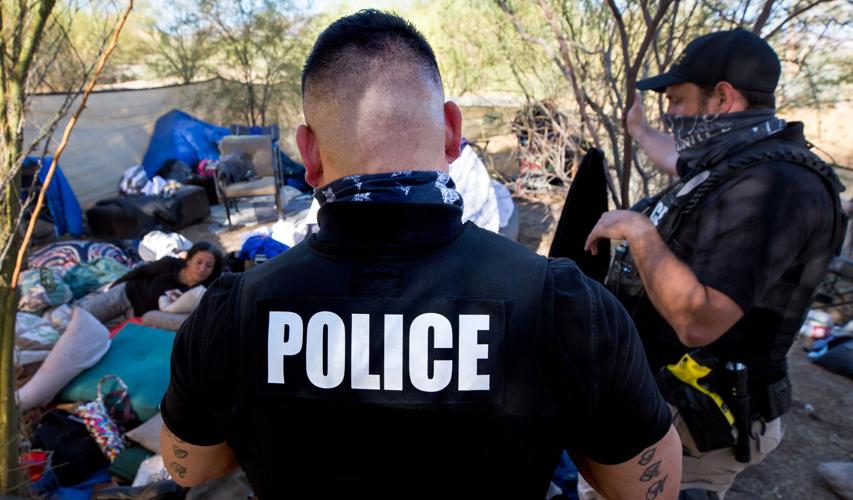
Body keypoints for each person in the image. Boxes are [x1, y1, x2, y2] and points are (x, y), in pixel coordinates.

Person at [158, 10, 681, 499]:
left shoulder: (231, 313)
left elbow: (190, 468)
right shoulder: (566, 305)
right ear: (453, 132)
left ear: (309, 153)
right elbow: (644, 487)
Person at [583, 29, 846, 499]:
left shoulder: (777, 191)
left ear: (722, 98)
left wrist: (639, 230)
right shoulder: (739, 160)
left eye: (678, 100)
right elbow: (680, 162)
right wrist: (639, 130)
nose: (672, 114)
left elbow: (699, 320)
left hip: (697, 426)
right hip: (661, 403)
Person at [76, 241, 222, 324]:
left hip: (136, 317)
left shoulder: (201, 292)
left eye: (208, 266)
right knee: (82, 318)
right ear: (189, 260)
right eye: (199, 262)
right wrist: (114, 287)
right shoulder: (169, 264)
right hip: (125, 295)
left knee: (98, 334)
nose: (202, 269)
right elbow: (140, 272)